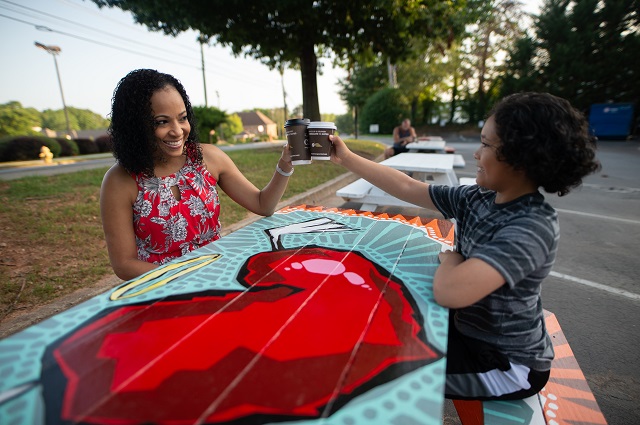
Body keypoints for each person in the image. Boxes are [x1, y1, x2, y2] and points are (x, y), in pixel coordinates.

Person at [330, 92, 600, 401]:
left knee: (377, 377)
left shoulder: (532, 227)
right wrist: (347, 157)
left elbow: (450, 292)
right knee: (375, 323)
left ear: (521, 157)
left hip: (505, 363)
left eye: (486, 145)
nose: (476, 154)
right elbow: (408, 187)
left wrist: (451, 261)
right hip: (467, 328)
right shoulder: (477, 198)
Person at [100, 69, 294, 281]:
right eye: (161, 122)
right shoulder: (119, 181)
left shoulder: (208, 157)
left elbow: (262, 204)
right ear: (135, 125)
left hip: (219, 274)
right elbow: (124, 264)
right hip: (161, 287)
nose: (177, 131)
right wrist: (184, 277)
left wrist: (285, 164)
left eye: (182, 118)